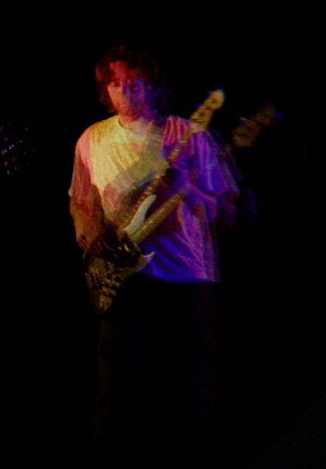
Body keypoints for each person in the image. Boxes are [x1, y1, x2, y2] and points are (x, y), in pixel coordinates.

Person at [69, 46, 239, 467]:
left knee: (189, 392)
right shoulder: (93, 138)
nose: (125, 90)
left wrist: (191, 189)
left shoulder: (190, 135)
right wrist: (88, 234)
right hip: (122, 278)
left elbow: (232, 209)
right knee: (116, 389)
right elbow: (81, 202)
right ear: (105, 92)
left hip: (185, 279)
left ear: (153, 85)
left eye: (134, 81)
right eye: (115, 83)